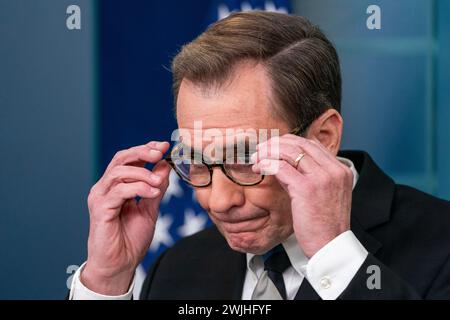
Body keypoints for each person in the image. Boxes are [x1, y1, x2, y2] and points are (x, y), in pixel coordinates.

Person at [69, 11, 450, 300]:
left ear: (324, 136)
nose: (218, 201)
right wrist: (106, 281)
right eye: (198, 161)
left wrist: (337, 259)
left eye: (246, 158)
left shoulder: (441, 246)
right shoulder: (179, 268)